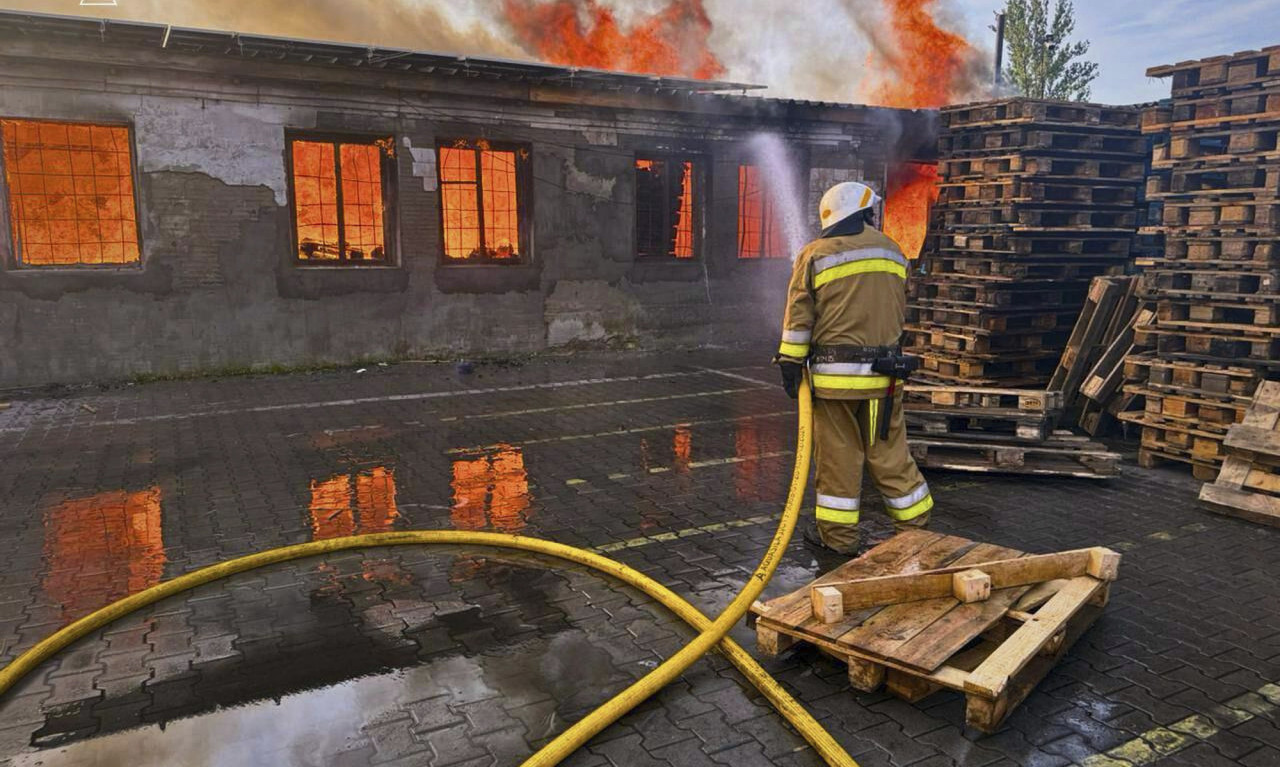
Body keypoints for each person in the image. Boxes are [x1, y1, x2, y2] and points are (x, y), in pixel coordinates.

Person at [773, 181, 933, 556]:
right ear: (864, 213)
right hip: (885, 379)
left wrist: (790, 362)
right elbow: (894, 307)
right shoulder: (894, 252)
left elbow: (799, 317)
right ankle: (916, 530)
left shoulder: (815, 254)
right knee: (890, 455)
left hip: (833, 387)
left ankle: (839, 540)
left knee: (838, 461)